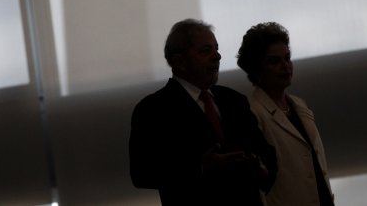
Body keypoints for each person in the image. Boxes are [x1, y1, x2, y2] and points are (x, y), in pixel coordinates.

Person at [129, 19, 277, 206]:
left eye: (216, 49)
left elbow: (266, 154)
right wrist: (200, 167)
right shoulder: (153, 109)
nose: (218, 56)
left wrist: (259, 165)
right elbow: (142, 174)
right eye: (206, 51)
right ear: (180, 61)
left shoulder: (234, 100)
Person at [237, 22, 334, 206]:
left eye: (287, 58)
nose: (285, 66)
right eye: (274, 61)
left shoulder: (299, 105)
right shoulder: (252, 112)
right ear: (256, 70)